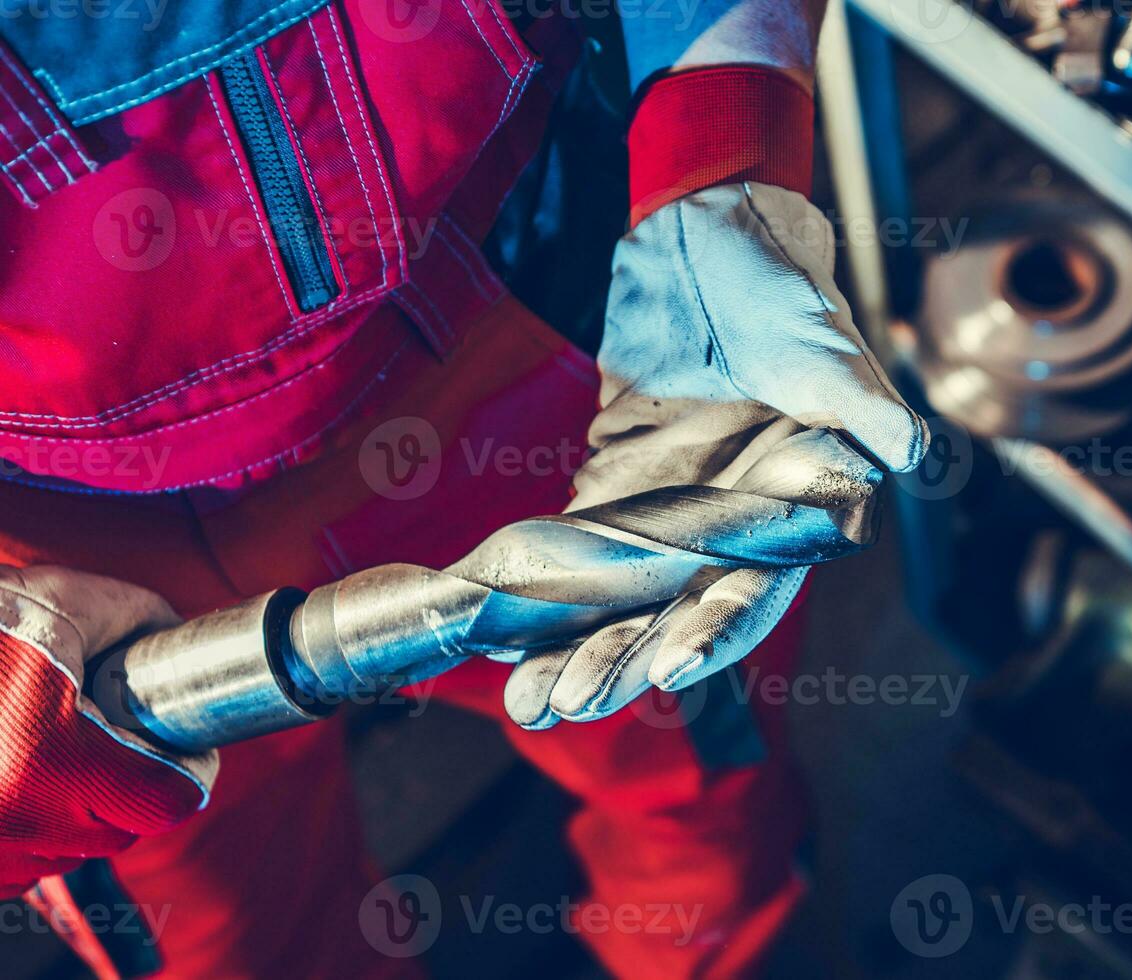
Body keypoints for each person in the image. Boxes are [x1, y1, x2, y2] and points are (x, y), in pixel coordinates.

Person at [0, 1, 926, 976]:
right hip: (50, 571)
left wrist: (720, 144)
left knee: (692, 770)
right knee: (228, 946)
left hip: (528, 330)